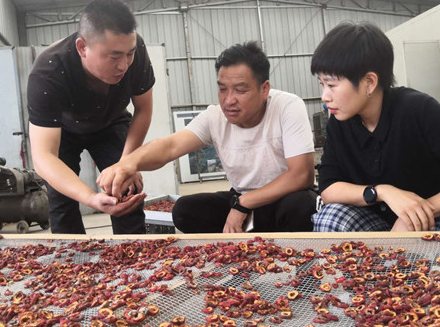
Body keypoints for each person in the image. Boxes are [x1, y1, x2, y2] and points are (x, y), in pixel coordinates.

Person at [98, 41, 317, 233]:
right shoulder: (215, 117)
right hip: (241, 199)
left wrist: (244, 204)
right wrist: (128, 163)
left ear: (264, 89)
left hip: (282, 201)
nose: (229, 100)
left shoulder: (287, 106)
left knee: (301, 204)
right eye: (222, 89)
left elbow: (301, 176)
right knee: (185, 210)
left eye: (240, 90)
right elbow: (170, 146)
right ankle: (239, 254)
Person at [311, 21, 440, 232]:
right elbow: (328, 188)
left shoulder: (418, 109)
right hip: (378, 224)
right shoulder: (339, 124)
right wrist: (381, 192)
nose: (324, 96)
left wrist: (416, 212)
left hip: (439, 218)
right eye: (322, 84)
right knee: (330, 218)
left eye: (332, 85)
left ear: (369, 82)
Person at [27, 0, 154, 234]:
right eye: (114, 57)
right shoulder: (48, 72)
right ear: (82, 48)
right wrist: (90, 197)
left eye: (130, 54)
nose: (124, 66)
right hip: (63, 131)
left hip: (112, 121)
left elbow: (144, 109)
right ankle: (71, 264)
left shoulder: (135, 52)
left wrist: (127, 164)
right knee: (61, 198)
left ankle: (134, 262)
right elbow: (43, 157)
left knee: (126, 188)